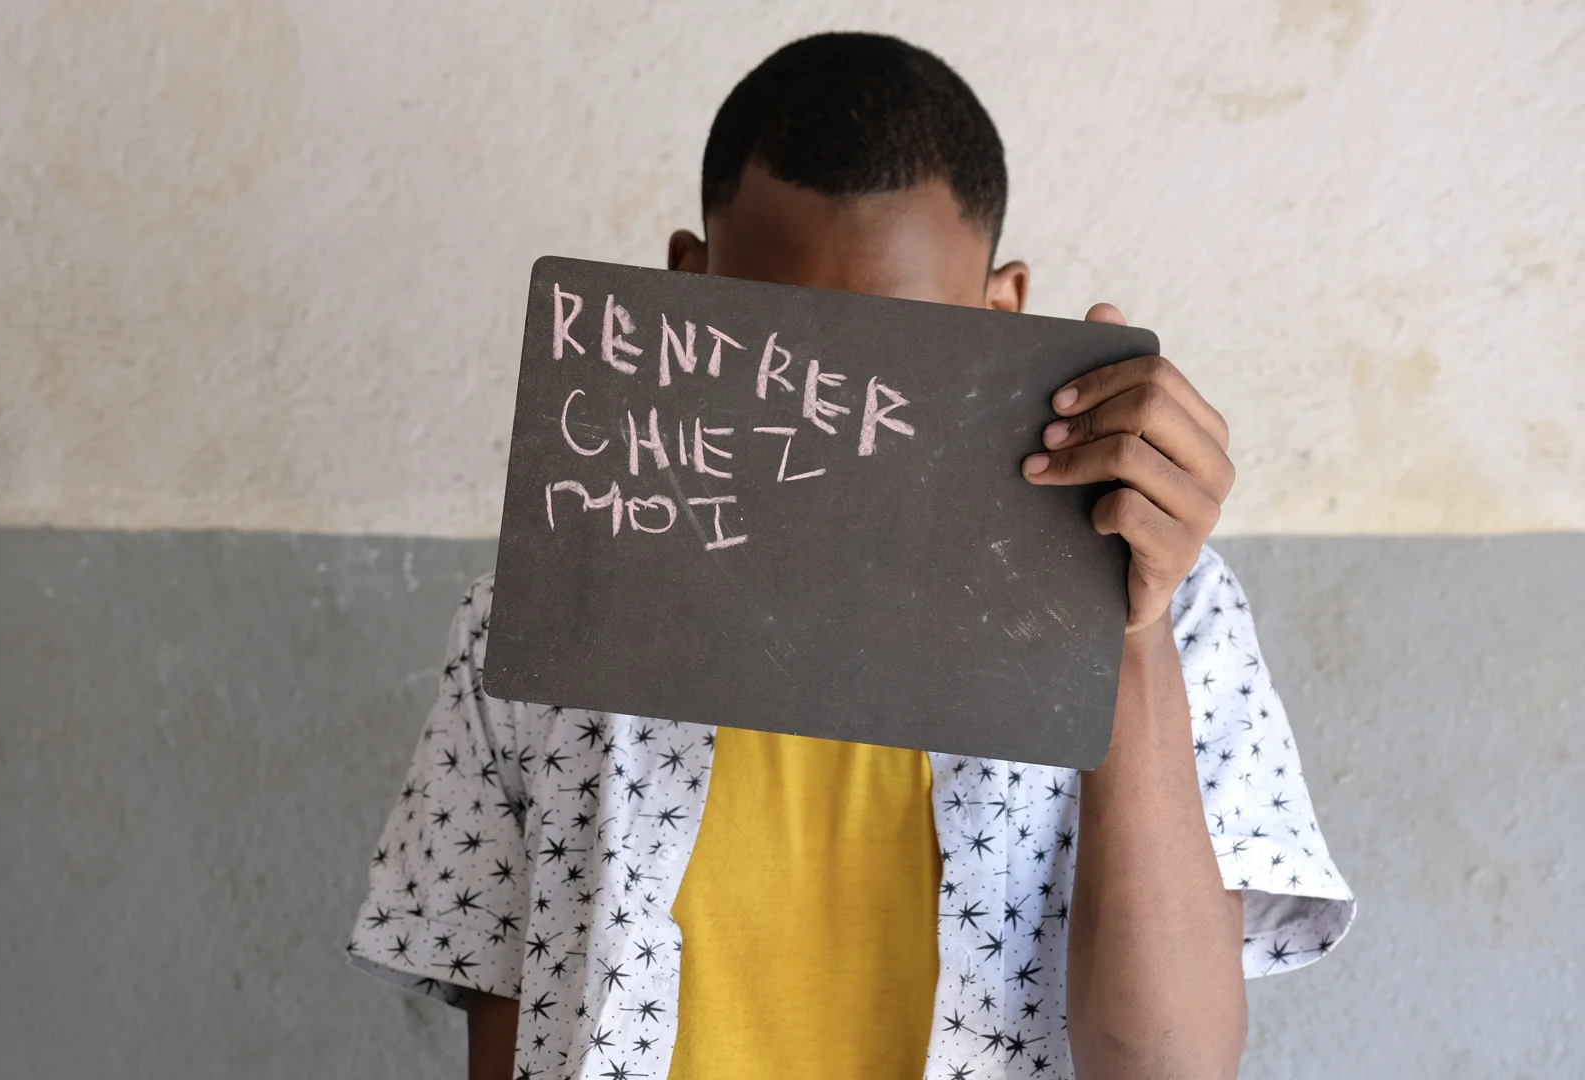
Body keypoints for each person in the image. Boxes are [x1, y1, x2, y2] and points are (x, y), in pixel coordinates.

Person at [347, 31, 1354, 1080]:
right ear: (685, 282)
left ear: (1000, 311)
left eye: (892, 357)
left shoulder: (1163, 607)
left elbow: (1173, 1069)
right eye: (782, 342)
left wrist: (1131, 638)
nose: (833, 410)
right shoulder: (548, 611)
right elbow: (514, 1028)